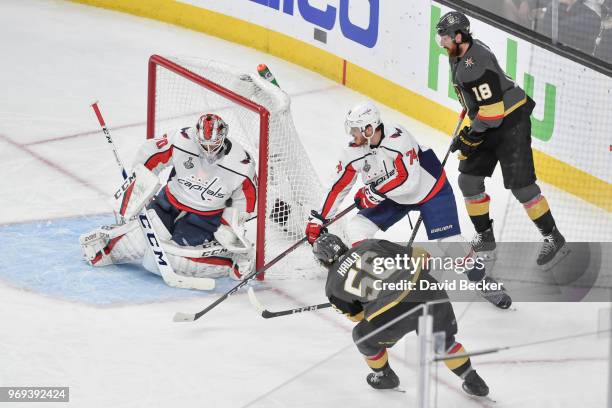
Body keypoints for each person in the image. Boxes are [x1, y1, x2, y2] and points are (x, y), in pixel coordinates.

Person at [305, 100, 511, 308]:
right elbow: (338, 185)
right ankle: (377, 281)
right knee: (357, 227)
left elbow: (408, 181)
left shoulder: (398, 138)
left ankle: (482, 280)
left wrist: (375, 192)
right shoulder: (352, 151)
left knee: (451, 243)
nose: (352, 135)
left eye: (356, 130)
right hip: (391, 197)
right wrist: (319, 218)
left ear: (369, 128)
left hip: (430, 190)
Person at [436, 11, 568, 267]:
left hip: (510, 122)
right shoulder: (459, 54)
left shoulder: (474, 64)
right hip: (489, 118)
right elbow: (483, 103)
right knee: (469, 180)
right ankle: (485, 237)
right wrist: (471, 121)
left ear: (459, 36)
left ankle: (553, 237)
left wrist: (470, 135)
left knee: (521, 187)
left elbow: (494, 114)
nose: (441, 43)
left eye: (444, 37)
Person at [79, 113, 257, 281]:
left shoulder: (241, 162)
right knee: (136, 243)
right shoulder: (181, 140)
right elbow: (150, 154)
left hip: (205, 218)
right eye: (204, 144)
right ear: (197, 135)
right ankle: (107, 249)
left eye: (214, 144)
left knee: (174, 261)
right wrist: (139, 186)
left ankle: (229, 262)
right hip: (169, 203)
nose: (209, 150)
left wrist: (230, 228)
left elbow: (246, 201)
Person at [312, 233, 490, 396]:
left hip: (393, 312)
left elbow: (359, 317)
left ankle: (384, 376)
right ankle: (473, 381)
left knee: (361, 336)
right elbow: (422, 256)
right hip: (426, 287)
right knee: (443, 342)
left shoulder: (332, 289)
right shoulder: (370, 244)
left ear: (323, 261)